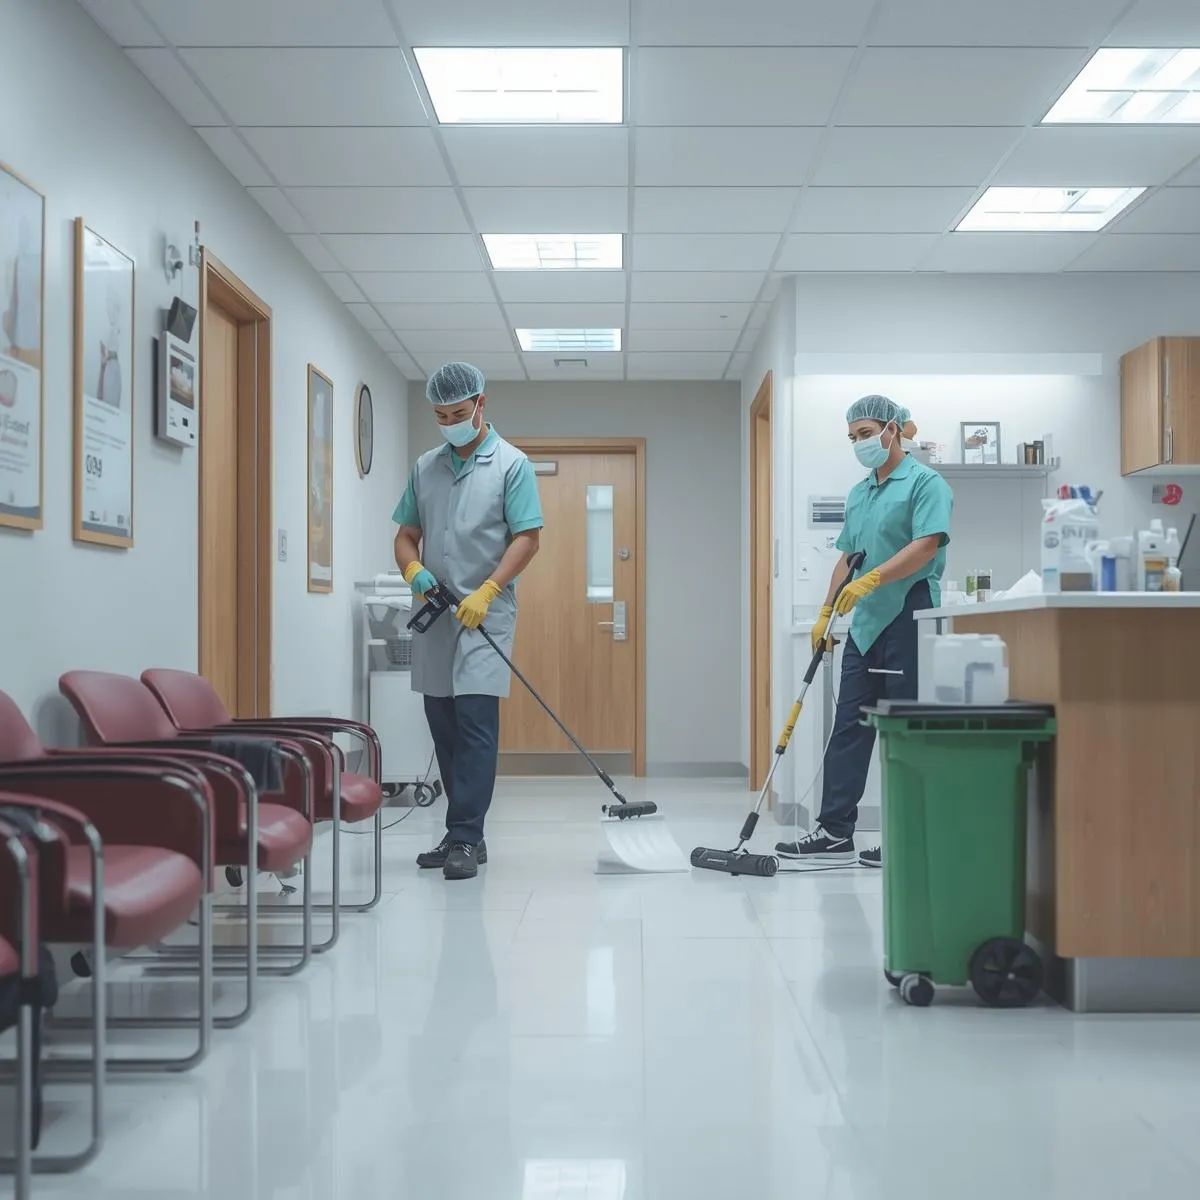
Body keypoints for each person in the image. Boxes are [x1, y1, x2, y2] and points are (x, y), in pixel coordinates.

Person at [777, 395, 952, 868]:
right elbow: (848, 556)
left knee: (904, 731)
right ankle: (835, 831)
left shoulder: (926, 483)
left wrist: (873, 579)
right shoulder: (860, 493)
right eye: (853, 437)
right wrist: (826, 611)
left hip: (910, 615)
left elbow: (926, 546)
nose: (859, 443)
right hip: (866, 624)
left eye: (866, 433)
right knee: (849, 727)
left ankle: (908, 838)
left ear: (893, 429)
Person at [393, 362, 543, 880]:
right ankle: (465, 834)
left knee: (475, 722)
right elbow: (406, 534)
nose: (450, 423)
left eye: (458, 414)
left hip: (485, 613)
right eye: (440, 416)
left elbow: (527, 538)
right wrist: (413, 569)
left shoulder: (512, 465)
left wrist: (490, 588)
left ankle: (463, 835)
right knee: (443, 723)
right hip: (435, 611)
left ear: (481, 404)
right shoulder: (425, 467)